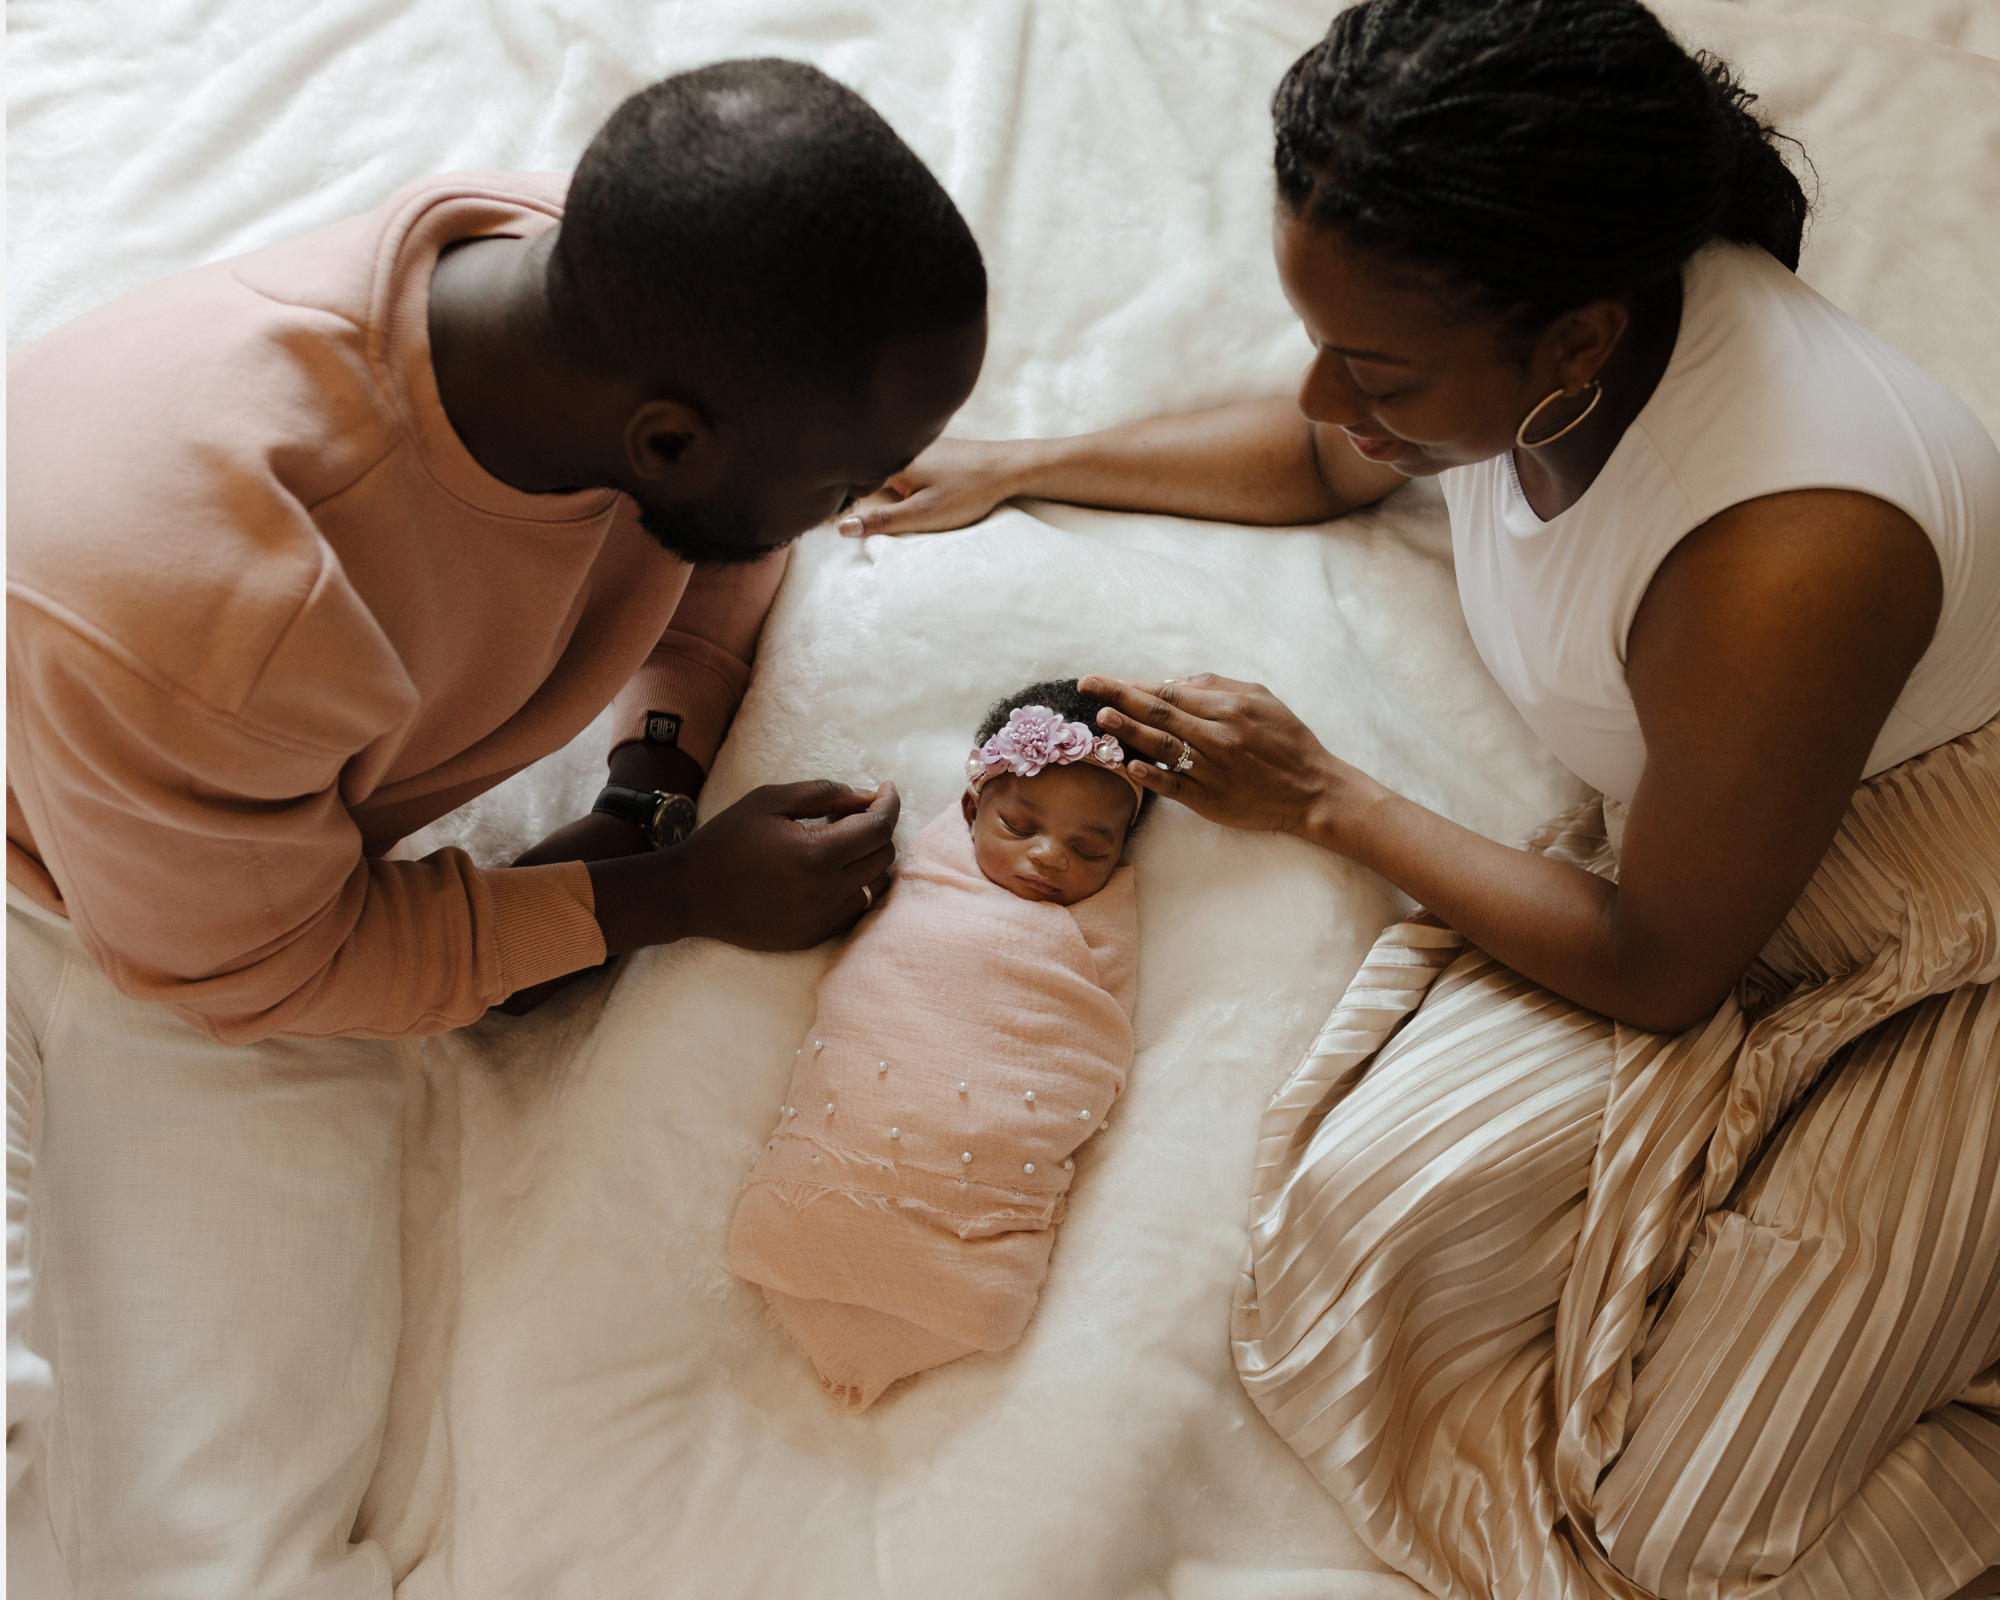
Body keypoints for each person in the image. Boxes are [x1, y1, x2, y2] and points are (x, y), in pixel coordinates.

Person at [831, 1, 2000, 1594]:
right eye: (1318, 336)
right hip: (1715, 832)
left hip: (1936, 887)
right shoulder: (1528, 343)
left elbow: (1663, 969)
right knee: (1366, 1253)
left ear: (1573, 339)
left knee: (1700, 1528)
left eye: (1370, 363)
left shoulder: (1784, 552)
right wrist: (1034, 458)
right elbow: (1325, 459)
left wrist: (1323, 798)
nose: (1323, 388)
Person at [5, 59, 984, 1593]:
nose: (861, 505)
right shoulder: (218, 587)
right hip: (96, 883)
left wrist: (654, 771)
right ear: (667, 438)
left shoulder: (565, 292)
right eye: (843, 481)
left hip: (221, 830)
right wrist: (662, 898)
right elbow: (252, 970)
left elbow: (719, 540)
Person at [729, 683, 1144, 1411]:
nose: (1048, 858)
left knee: (981, 1278)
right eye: (1020, 825)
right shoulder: (921, 876)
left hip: (995, 1151)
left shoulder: (1103, 927)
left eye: (1088, 849)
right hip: (869, 1085)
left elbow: (1097, 1034)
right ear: (971, 809)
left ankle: (960, 1269)